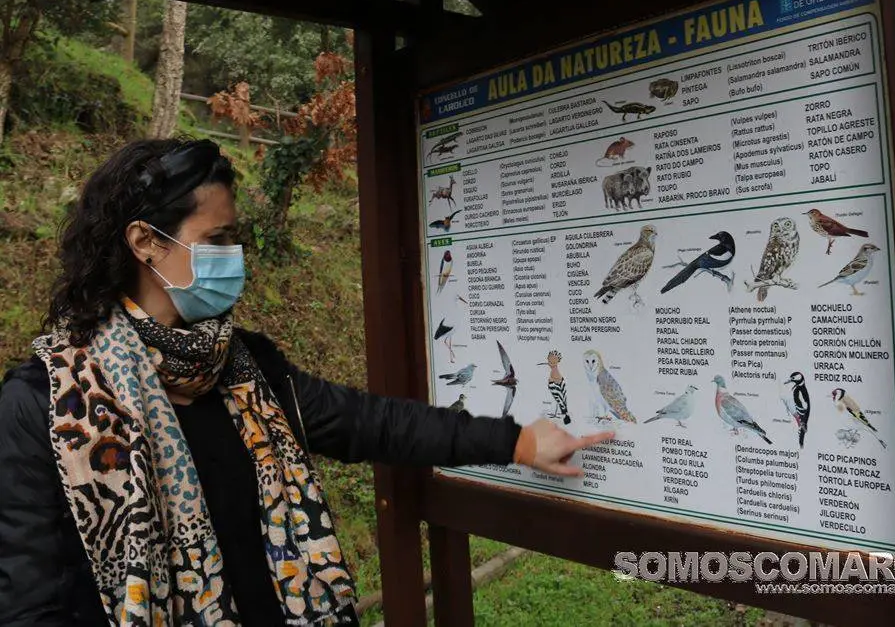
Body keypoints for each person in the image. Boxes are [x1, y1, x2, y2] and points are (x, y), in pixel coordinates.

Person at [0, 138, 614, 626]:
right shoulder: (46, 404)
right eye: (216, 240)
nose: (235, 254)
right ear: (144, 243)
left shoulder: (247, 370)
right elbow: (27, 593)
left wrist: (515, 443)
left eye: (234, 236)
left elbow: (369, 423)